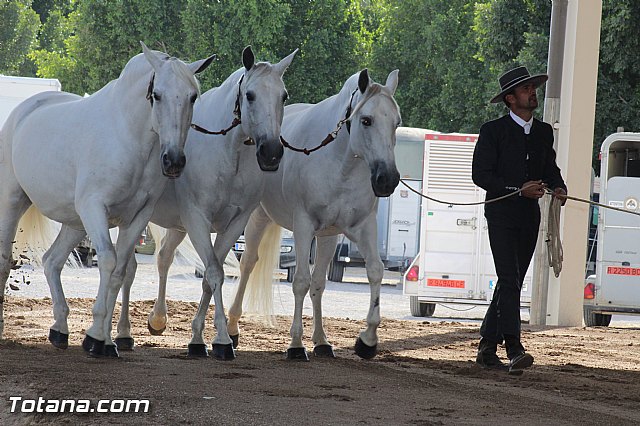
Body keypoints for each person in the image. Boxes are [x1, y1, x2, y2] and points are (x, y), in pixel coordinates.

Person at [472, 66, 567, 375]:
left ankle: (487, 347)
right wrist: (517, 190)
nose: (532, 93)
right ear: (510, 99)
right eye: (526, 90)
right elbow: (481, 175)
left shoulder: (542, 132)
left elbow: (549, 167)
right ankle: (514, 347)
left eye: (532, 88)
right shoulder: (492, 131)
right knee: (510, 280)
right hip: (501, 214)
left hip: (529, 215)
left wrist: (559, 186)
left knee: (510, 281)